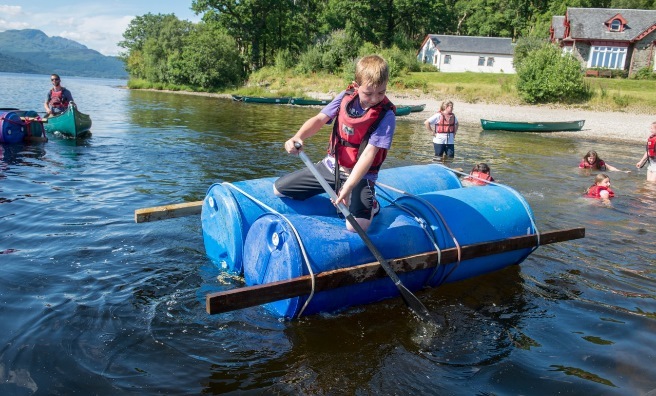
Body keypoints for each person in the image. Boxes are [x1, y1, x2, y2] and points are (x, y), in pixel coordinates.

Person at [273, 55, 395, 233]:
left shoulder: (386, 115)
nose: (374, 99)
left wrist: (348, 187)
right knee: (279, 190)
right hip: (331, 167)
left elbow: (369, 154)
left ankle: (373, 206)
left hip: (361, 176)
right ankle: (334, 186)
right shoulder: (346, 98)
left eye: (381, 93)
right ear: (356, 85)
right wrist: (298, 137)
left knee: (355, 227)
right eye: (368, 93)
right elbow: (319, 119)